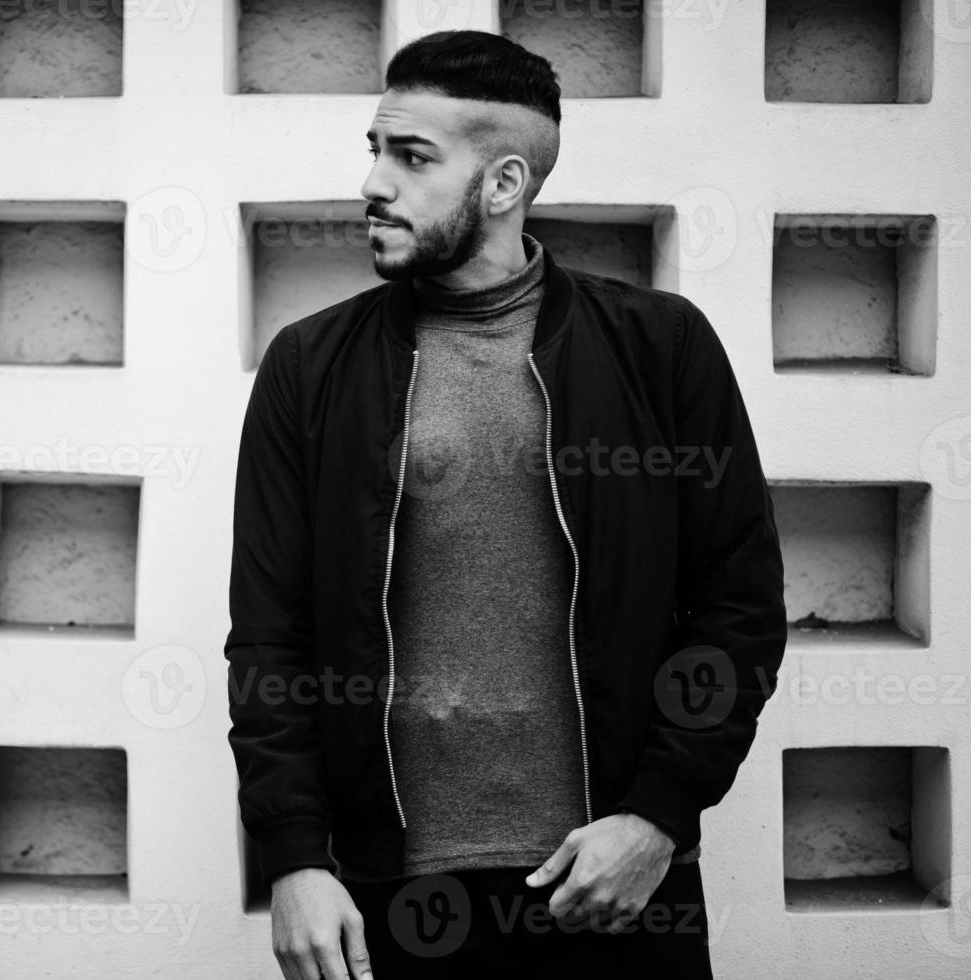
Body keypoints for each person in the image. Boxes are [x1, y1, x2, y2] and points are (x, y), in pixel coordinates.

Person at [223, 30, 786, 980]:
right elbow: (270, 634)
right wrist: (292, 861)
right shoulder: (309, 367)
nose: (371, 183)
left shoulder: (659, 349)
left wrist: (657, 816)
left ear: (501, 184)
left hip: (608, 883)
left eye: (409, 158)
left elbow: (736, 611)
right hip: (387, 893)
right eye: (374, 149)